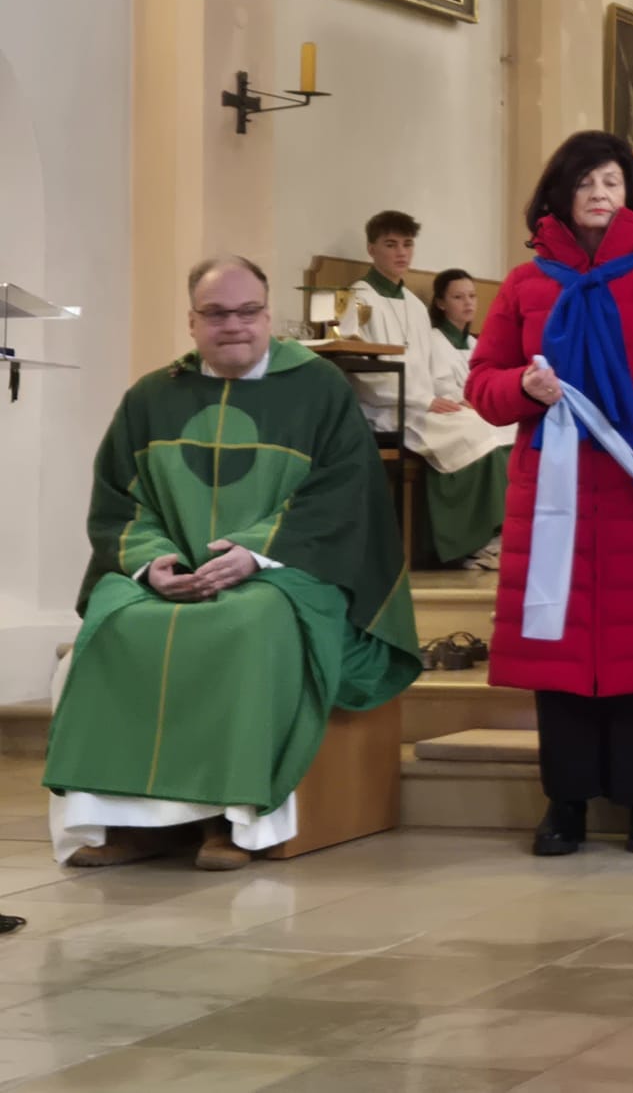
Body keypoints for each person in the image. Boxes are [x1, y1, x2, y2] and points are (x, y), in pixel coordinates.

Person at [43, 256, 419, 869]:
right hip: (173, 574)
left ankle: (227, 820)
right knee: (117, 624)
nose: (234, 325)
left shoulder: (319, 388)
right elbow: (119, 500)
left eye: (248, 312)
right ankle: (132, 824)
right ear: (192, 321)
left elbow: (342, 494)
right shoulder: (152, 397)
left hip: (289, 570)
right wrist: (151, 563)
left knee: (248, 623)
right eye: (216, 314)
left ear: (269, 316)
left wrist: (257, 553)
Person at [466, 132, 633, 857]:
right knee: (558, 654)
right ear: (559, 194)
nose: (598, 193)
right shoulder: (525, 285)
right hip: (552, 496)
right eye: (585, 181)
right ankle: (566, 803)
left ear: (630, 194)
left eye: (611, 181)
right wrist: (522, 387)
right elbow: (483, 383)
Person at [339, 213, 513, 570]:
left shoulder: (414, 304)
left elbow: (426, 370)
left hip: (421, 405)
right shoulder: (356, 298)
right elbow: (359, 371)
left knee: (490, 427)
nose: (401, 253)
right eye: (391, 244)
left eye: (407, 244)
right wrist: (425, 400)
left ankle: (492, 533)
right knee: (475, 432)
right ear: (372, 249)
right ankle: (466, 542)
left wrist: (439, 399)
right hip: (385, 410)